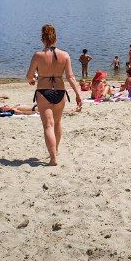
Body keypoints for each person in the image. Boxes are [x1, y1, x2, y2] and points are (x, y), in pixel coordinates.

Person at [27, 24, 84, 166]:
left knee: (48, 125)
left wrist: (33, 79)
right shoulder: (65, 55)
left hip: (43, 92)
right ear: (56, 38)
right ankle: (56, 151)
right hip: (60, 92)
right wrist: (78, 94)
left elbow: (29, 76)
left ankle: (53, 158)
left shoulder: (38, 55)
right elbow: (70, 77)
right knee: (57, 123)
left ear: (42, 39)